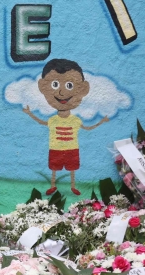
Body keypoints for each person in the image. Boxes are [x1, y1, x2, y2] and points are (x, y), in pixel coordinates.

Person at [22, 58, 108, 196]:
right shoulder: (53, 120)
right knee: (54, 168)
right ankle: (53, 186)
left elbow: (87, 128)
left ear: (83, 89)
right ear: (43, 87)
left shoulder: (75, 120)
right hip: (55, 147)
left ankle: (73, 186)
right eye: (55, 84)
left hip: (71, 148)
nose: (62, 93)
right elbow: (42, 122)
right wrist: (30, 113)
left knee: (72, 168)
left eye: (69, 85)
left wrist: (101, 122)